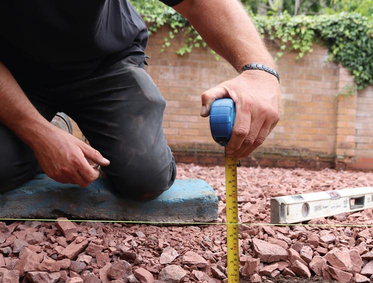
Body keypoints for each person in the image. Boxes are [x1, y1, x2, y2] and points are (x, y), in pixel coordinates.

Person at [0, 0, 281, 201]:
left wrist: (259, 71)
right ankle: (52, 129)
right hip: (13, 75)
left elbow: (198, 2)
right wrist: (41, 137)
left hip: (106, 63)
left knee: (144, 179)